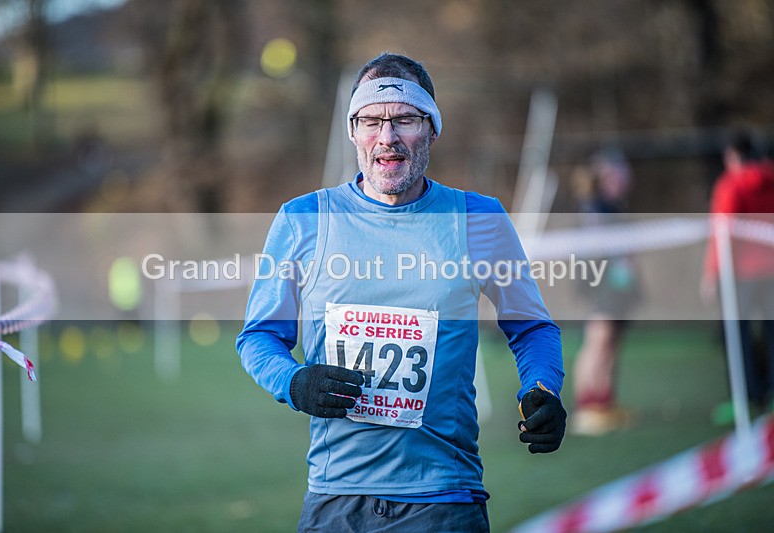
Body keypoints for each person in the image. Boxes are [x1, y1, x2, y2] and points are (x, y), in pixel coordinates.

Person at [236, 53, 566, 532]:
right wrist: (293, 381)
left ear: (431, 128)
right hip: (336, 499)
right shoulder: (302, 219)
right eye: (371, 121)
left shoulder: (479, 219)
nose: (386, 138)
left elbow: (532, 327)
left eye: (405, 120)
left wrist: (542, 389)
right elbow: (259, 336)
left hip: (444, 498)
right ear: (352, 131)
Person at [702, 131, 774, 415]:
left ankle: (745, 396)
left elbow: (722, 232)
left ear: (732, 156)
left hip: (740, 275)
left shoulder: (730, 185)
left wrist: (710, 273)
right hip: (770, 272)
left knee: (736, 336)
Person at [569, 150, 641, 436]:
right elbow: (595, 251)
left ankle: (605, 402)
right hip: (601, 285)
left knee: (612, 342)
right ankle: (586, 407)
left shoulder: (615, 206)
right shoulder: (594, 208)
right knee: (598, 340)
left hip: (619, 286)